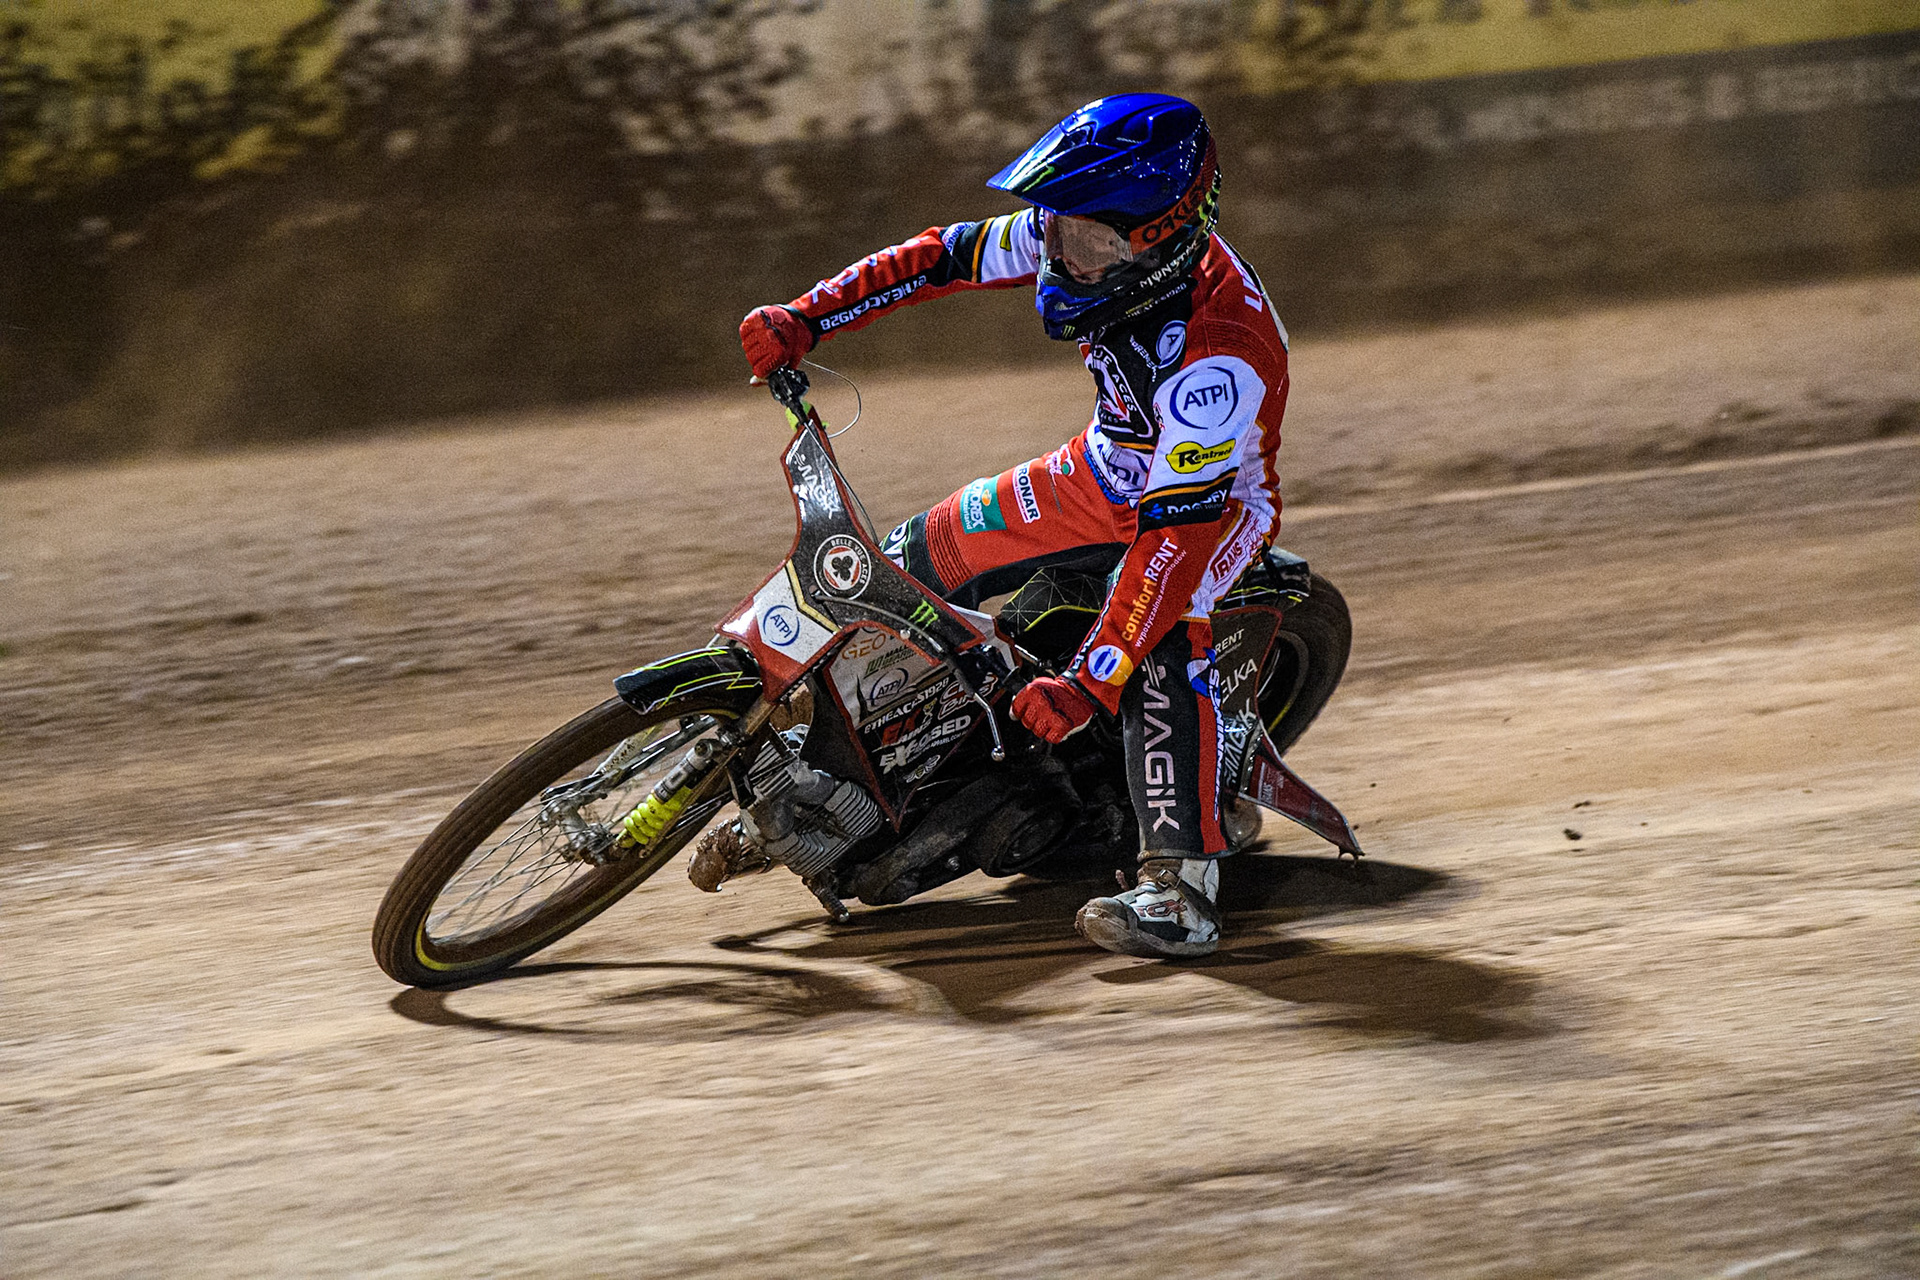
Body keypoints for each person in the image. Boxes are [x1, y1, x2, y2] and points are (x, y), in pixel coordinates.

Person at [738, 93, 1289, 959]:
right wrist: (808, 314)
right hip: (1105, 467)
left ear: (1158, 235)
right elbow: (941, 258)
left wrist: (1089, 683)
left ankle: (1184, 891)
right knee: (906, 563)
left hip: (1210, 513)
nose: (1058, 251)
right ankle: (839, 788)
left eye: (1085, 240)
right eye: (1058, 228)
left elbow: (1175, 539)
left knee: (1161, 631)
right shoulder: (1085, 229)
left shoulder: (1218, 352)